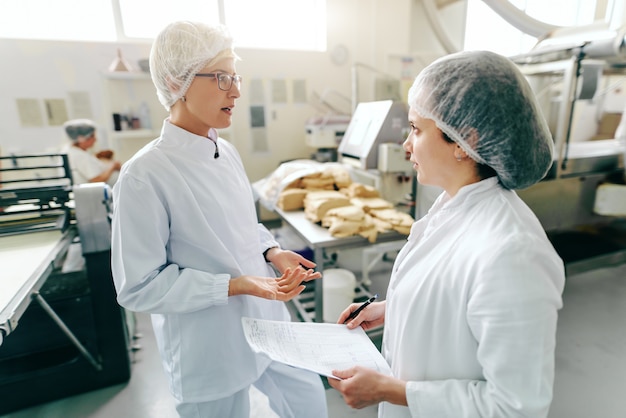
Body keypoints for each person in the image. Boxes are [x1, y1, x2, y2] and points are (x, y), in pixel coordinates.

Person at [328, 50, 566, 418]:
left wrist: (391, 390)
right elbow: (455, 298)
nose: (406, 145)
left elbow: (515, 407)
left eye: (416, 129)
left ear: (462, 141)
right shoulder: (455, 206)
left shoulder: (514, 253)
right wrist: (394, 309)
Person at [110, 21, 328, 418]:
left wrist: (273, 251)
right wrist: (235, 285)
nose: (237, 90)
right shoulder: (144, 175)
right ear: (178, 81)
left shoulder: (225, 152)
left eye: (236, 76)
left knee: (309, 401)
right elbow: (137, 286)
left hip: (266, 322)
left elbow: (242, 227)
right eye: (222, 77)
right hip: (206, 344)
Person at [61, 119, 121, 186]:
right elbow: (97, 180)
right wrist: (113, 166)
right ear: (82, 138)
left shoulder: (69, 149)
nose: (95, 139)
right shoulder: (80, 156)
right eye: (93, 136)